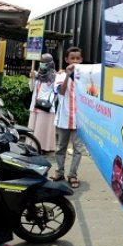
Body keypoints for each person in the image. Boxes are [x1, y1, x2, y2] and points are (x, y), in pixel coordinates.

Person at [51, 46, 86, 188]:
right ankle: (59, 172)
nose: (75, 61)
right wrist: (67, 75)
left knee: (78, 149)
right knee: (61, 148)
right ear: (66, 60)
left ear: (82, 59)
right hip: (64, 118)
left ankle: (73, 175)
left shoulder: (85, 76)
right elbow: (62, 91)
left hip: (80, 120)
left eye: (78, 58)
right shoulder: (59, 76)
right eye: (73, 58)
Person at [28, 53, 57, 153]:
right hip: (35, 106)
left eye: (44, 62)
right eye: (41, 62)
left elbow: (56, 92)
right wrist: (32, 78)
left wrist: (48, 100)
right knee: (33, 128)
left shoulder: (54, 76)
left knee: (41, 129)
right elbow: (31, 89)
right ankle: (32, 146)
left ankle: (43, 147)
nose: (42, 64)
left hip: (45, 107)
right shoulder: (37, 75)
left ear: (49, 63)